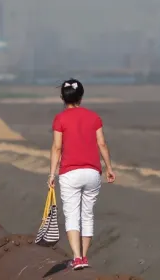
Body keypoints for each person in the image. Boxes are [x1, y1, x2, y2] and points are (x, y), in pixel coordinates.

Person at [49, 78, 115, 269]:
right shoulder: (94, 117)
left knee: (72, 215)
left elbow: (57, 148)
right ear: (81, 96)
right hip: (92, 172)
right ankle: (84, 257)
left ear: (63, 97)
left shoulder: (60, 119)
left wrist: (52, 174)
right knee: (87, 214)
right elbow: (101, 143)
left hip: (70, 172)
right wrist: (109, 168)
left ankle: (77, 258)